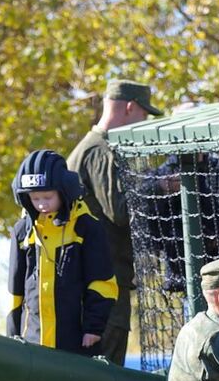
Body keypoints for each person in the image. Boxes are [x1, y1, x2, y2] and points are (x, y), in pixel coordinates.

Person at [7, 148, 117, 381]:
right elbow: (15, 288)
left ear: (63, 193)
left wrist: (93, 327)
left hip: (77, 334)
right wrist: (14, 330)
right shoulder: (23, 230)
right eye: (34, 198)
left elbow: (103, 282)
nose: (41, 203)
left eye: (47, 196)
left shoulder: (86, 226)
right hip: (37, 336)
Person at [69, 79, 162, 365]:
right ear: (130, 108)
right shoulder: (101, 151)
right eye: (143, 115)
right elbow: (120, 212)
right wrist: (158, 186)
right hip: (105, 284)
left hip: (98, 281)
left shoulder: (90, 148)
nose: (143, 122)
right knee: (106, 371)